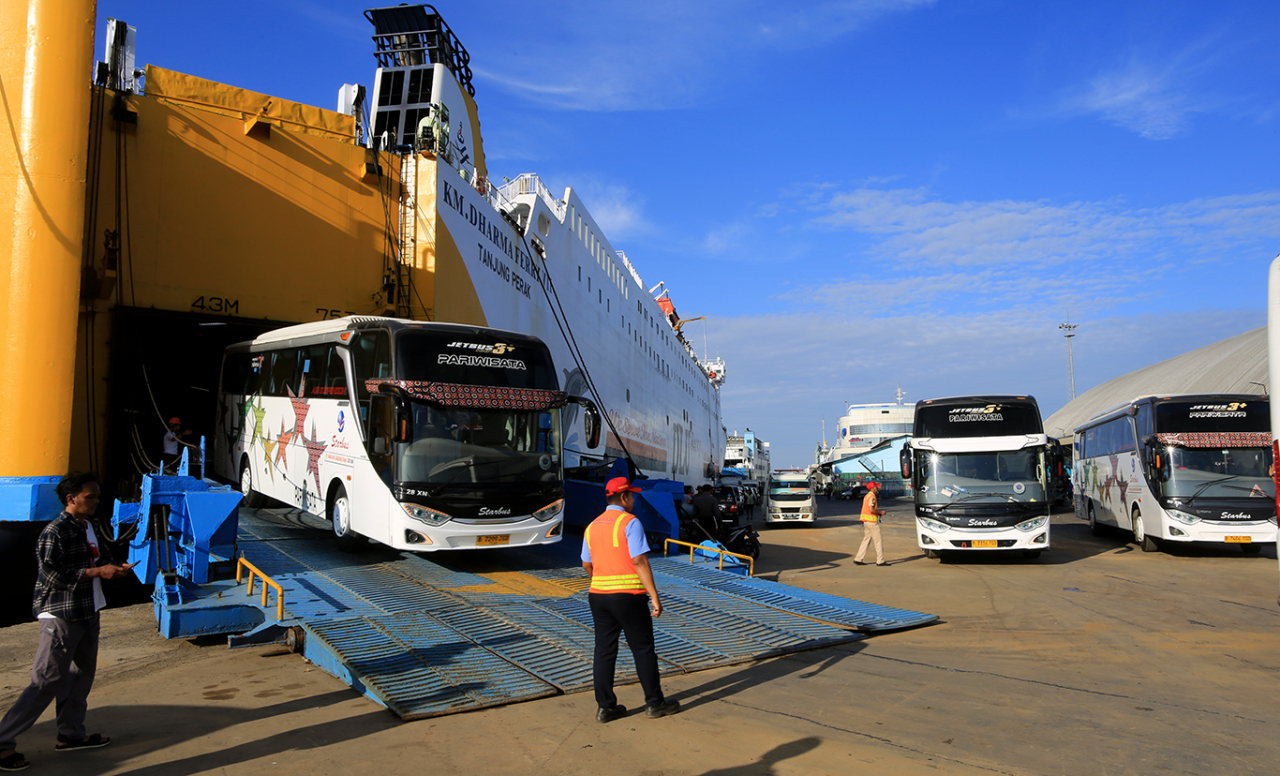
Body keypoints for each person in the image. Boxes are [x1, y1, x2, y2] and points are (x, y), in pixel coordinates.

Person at [0, 472, 137, 772]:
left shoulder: (88, 527)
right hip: (61, 615)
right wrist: (97, 573)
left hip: (89, 610)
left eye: (97, 497)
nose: (96, 502)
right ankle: (3, 742)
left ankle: (71, 734)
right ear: (71, 498)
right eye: (91, 497)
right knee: (46, 680)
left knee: (80, 676)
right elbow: (52, 575)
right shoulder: (55, 531)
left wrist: (115, 568)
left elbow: (97, 562)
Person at [581, 477, 679, 723]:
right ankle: (655, 703)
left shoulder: (592, 526)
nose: (634, 499)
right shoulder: (630, 522)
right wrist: (655, 597)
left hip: (598, 596)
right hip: (629, 597)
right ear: (624, 497)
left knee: (604, 650)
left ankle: (605, 707)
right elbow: (639, 561)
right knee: (643, 649)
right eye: (632, 495)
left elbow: (586, 563)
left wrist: (603, 579)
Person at [853, 481, 888, 567]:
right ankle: (880, 560)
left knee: (866, 540)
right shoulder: (872, 496)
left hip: (866, 522)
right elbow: (871, 510)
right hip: (872, 522)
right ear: (872, 488)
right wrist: (880, 513)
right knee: (878, 541)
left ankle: (858, 558)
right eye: (876, 487)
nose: (877, 488)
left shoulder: (867, 496)